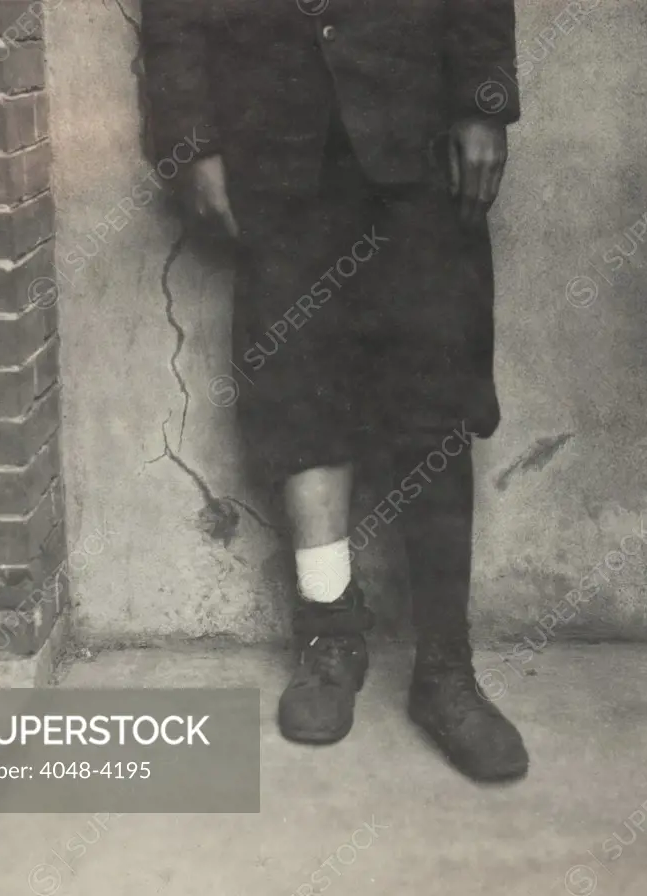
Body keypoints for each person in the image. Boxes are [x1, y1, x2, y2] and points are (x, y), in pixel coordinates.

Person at [141, 0, 528, 782]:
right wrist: (194, 139)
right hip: (273, 134)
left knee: (435, 395)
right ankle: (329, 635)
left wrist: (482, 102)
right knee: (298, 386)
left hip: (416, 132)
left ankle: (445, 668)